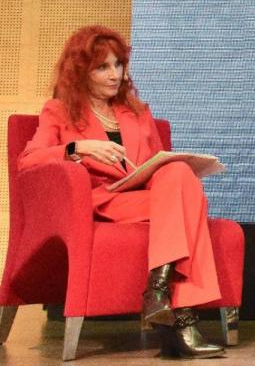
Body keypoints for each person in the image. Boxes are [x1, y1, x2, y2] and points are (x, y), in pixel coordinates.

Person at [18, 25, 225, 359]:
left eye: (118, 65)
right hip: (100, 200)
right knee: (190, 206)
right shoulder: (58, 111)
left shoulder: (138, 112)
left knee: (178, 173)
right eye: (103, 67)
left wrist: (172, 166)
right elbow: (28, 161)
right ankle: (181, 319)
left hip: (143, 197)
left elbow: (160, 164)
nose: (114, 75)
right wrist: (78, 147)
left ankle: (158, 292)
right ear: (81, 71)